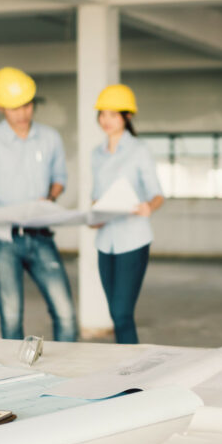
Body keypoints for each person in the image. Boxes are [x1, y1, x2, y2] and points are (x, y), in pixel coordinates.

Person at [0, 67, 78, 342]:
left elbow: (59, 179)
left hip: (41, 237)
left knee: (66, 314)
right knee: (10, 316)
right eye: (14, 108)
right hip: (3, 241)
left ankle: (68, 379)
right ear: (0, 108)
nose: (22, 114)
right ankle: (14, 378)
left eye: (27, 105)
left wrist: (51, 197)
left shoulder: (50, 138)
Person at [91, 84, 164, 344]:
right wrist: (94, 214)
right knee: (116, 314)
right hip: (104, 241)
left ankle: (134, 377)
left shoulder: (139, 151)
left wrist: (148, 207)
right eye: (102, 114)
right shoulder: (96, 155)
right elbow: (95, 197)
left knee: (122, 313)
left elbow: (158, 194)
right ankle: (125, 369)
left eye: (112, 114)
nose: (106, 120)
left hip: (133, 240)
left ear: (127, 116)